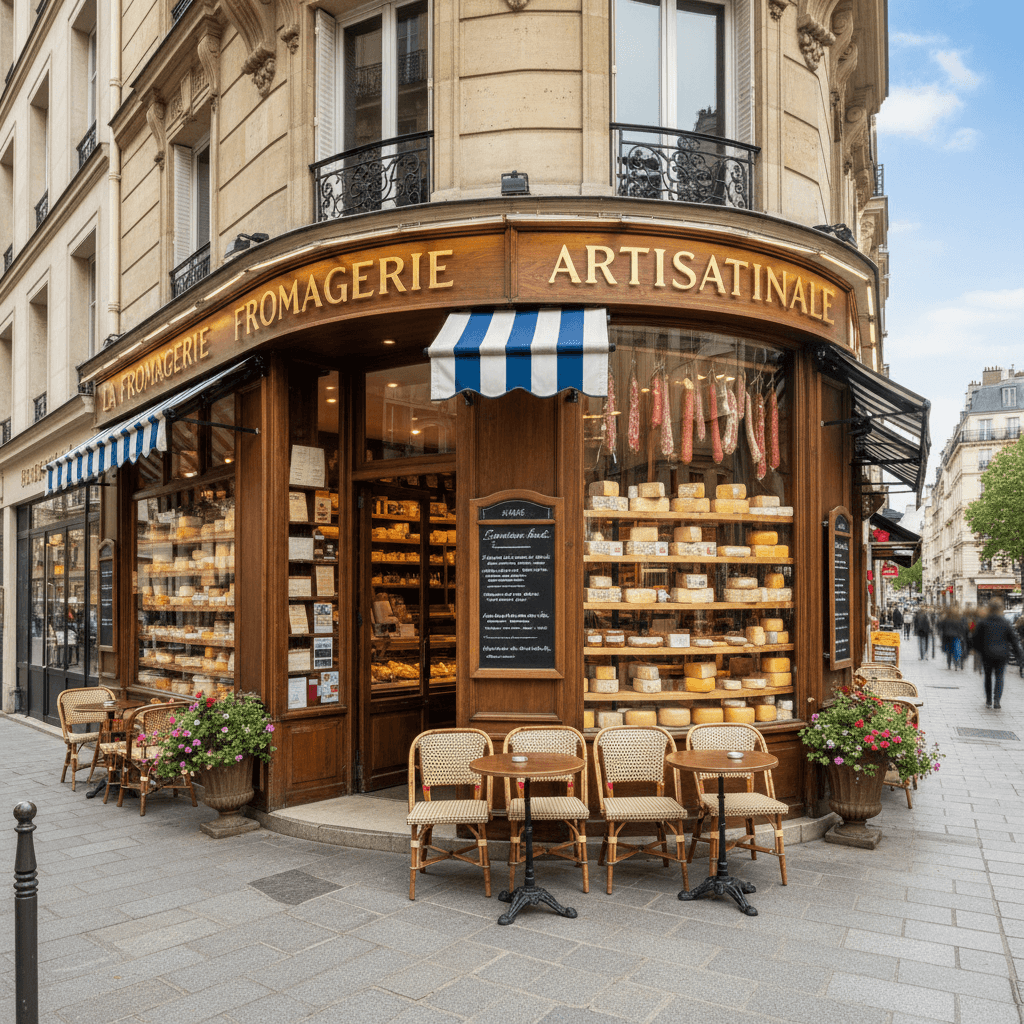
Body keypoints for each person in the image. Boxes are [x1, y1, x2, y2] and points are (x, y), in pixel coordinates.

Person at [971, 598, 1024, 710]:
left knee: (988, 677)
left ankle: (988, 700)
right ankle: (997, 700)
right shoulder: (1005, 623)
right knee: (999, 677)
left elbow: (975, 639)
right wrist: (1019, 655)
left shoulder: (983, 622)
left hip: (987, 654)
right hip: (1002, 655)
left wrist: (979, 651)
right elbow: (1014, 641)